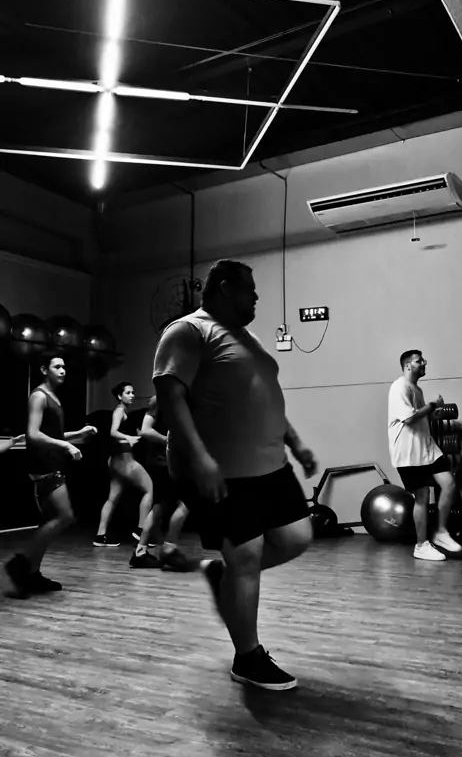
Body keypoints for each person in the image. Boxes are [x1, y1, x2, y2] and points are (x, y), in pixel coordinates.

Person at [153, 259, 318, 691]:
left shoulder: (247, 338)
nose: (257, 296)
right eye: (250, 288)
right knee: (246, 556)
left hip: (270, 465)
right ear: (225, 288)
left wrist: (296, 442)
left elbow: (264, 399)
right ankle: (248, 658)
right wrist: (200, 458)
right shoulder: (188, 331)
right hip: (223, 470)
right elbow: (170, 396)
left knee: (296, 537)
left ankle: (219, 574)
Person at [2, 351, 97, 598]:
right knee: (66, 516)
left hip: (53, 463)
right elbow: (33, 434)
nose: (63, 370)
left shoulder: (53, 397)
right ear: (44, 370)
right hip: (45, 466)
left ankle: (32, 574)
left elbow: (52, 434)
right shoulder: (39, 396)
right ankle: (19, 563)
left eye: (64, 366)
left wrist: (78, 434)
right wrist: (66, 445)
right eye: (57, 366)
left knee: (49, 521)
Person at [388, 349, 462, 561]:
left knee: (449, 484)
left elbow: (420, 418)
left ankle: (441, 532)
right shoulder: (399, 386)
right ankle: (421, 545)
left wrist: (433, 413)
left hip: (427, 448)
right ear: (407, 366)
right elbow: (409, 418)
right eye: (419, 361)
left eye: (423, 360)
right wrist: (432, 406)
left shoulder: (416, 389)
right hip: (408, 453)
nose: (424, 363)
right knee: (422, 497)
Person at [129, 395, 190, 571]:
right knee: (186, 502)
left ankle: (141, 552)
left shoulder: (179, 399)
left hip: (168, 461)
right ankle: (168, 548)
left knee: (160, 507)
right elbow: (145, 430)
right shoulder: (161, 399)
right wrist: (169, 441)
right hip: (163, 462)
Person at [93, 382, 153, 546]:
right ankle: (141, 531)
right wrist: (129, 438)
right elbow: (113, 431)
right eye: (128, 393)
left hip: (117, 461)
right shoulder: (119, 411)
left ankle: (100, 536)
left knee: (112, 498)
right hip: (124, 460)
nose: (132, 395)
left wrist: (137, 434)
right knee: (149, 490)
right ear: (120, 396)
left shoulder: (125, 412)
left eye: (133, 392)